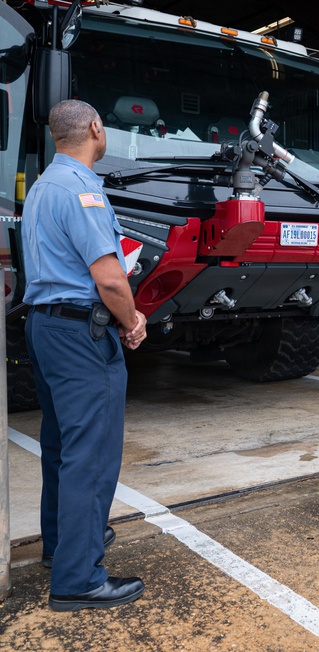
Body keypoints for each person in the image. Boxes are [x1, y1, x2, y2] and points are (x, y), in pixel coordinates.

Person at [22, 100, 148, 611]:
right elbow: (108, 277)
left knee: (61, 445)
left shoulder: (43, 185)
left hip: (47, 328)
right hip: (80, 336)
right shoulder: (81, 189)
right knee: (90, 455)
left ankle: (62, 546)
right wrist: (132, 320)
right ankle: (79, 579)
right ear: (95, 128)